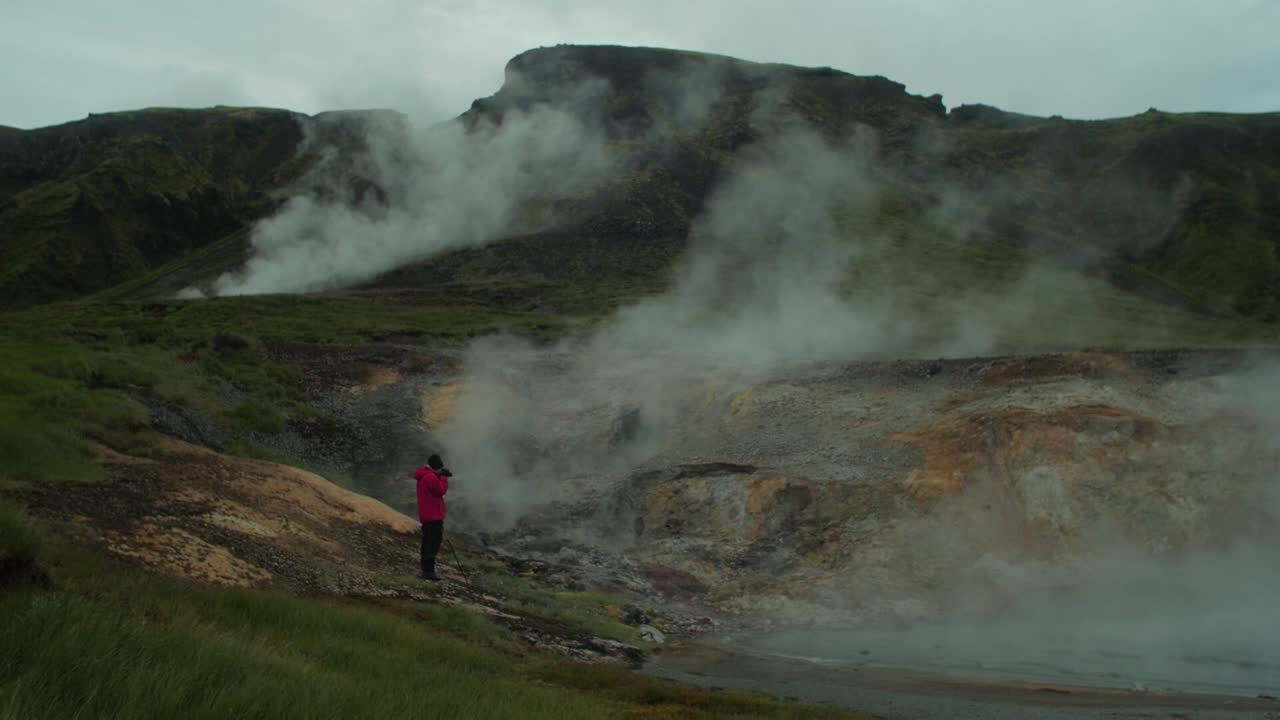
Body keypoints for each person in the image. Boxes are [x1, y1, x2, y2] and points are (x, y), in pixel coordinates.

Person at [414, 454, 451, 581]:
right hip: (433, 515)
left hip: (427, 514)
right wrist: (444, 478)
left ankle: (426, 569)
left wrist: (439, 476)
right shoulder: (430, 477)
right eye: (440, 468)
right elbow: (440, 491)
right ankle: (428, 571)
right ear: (437, 467)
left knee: (427, 542)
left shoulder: (424, 475)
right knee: (433, 542)